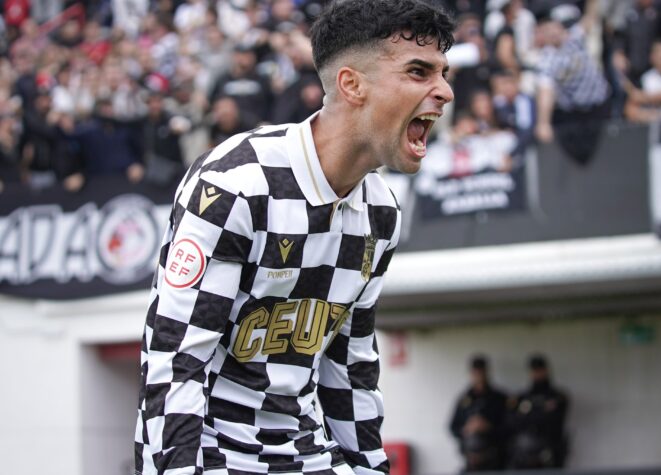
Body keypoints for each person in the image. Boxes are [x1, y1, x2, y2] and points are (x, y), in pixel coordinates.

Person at [133, 1, 455, 475]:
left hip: (306, 455)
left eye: (443, 73)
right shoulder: (236, 183)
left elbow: (350, 374)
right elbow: (176, 363)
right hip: (211, 457)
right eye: (418, 71)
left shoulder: (381, 211)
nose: (445, 91)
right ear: (352, 85)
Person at [534, 0, 611, 164]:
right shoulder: (547, 60)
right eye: (547, 30)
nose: (553, 33)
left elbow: (590, 18)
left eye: (554, 27)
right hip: (576, 114)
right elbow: (545, 91)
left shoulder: (574, 38)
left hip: (601, 104)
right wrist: (543, 123)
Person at [506, 354, 570, 469]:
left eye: (540, 370)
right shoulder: (521, 397)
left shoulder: (557, 396)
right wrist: (540, 412)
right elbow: (512, 421)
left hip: (549, 453)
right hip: (524, 455)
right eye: (534, 370)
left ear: (546, 370)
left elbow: (553, 421)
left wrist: (528, 415)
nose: (537, 373)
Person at [449, 356, 508, 472]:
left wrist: (488, 427)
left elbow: (510, 427)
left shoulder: (499, 398)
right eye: (475, 372)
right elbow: (453, 427)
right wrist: (467, 428)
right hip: (471, 461)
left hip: (495, 459)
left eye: (480, 372)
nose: (478, 376)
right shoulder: (464, 399)